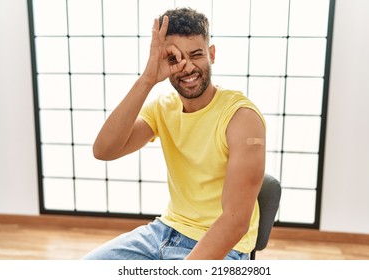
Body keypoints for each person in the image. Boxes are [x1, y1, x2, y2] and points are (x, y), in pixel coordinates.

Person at [83, 7, 266, 260]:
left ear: (211, 55)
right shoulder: (162, 107)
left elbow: (235, 222)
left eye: (197, 55)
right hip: (164, 232)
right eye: (175, 59)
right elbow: (104, 150)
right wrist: (148, 78)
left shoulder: (242, 117)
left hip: (222, 246)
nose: (187, 67)